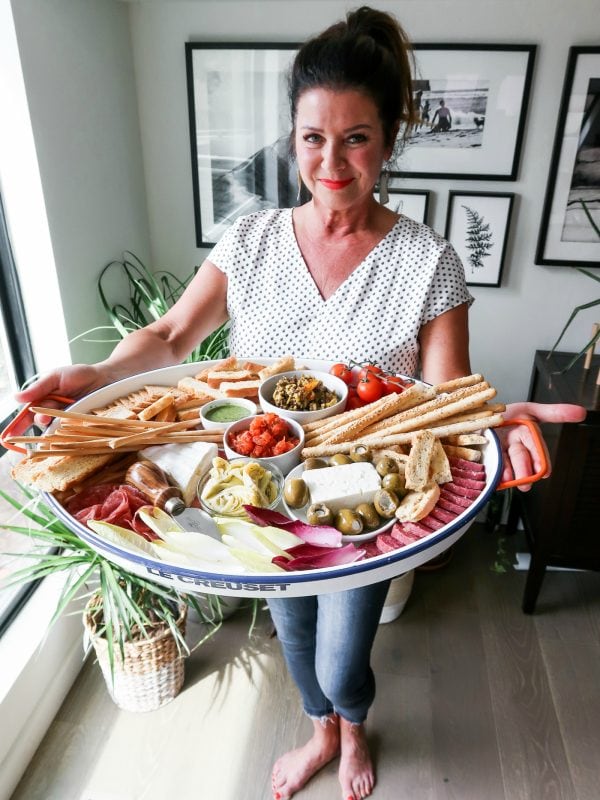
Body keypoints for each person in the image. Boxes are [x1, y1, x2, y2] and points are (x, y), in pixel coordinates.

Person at [17, 7, 586, 800]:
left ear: (387, 141)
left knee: (342, 655)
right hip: (260, 491)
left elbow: (449, 393)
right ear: (293, 139)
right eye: (314, 137)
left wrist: (499, 417)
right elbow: (173, 334)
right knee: (292, 637)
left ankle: (352, 726)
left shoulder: (430, 262)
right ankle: (321, 730)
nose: (332, 161)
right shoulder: (250, 241)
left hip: (366, 503)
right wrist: (101, 375)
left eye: (356, 137)